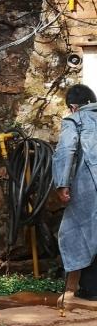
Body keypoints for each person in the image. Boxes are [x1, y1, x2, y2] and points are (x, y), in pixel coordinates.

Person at [54, 83, 97, 301]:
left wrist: (62, 185)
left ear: (73, 106)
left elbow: (66, 150)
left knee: (75, 233)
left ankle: (83, 289)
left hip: (88, 185)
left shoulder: (75, 120)